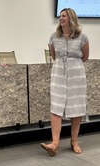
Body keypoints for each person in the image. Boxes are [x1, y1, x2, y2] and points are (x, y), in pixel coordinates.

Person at [40, 8, 89, 157]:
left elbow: (85, 57)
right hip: (58, 73)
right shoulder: (54, 37)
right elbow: (54, 56)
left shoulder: (82, 37)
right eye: (60, 16)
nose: (61, 19)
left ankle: (74, 141)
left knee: (76, 107)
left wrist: (72, 64)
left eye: (63, 16)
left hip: (77, 74)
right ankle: (54, 144)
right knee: (56, 106)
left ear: (71, 18)